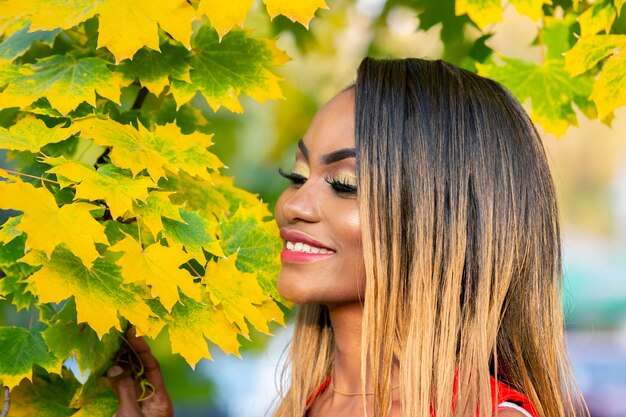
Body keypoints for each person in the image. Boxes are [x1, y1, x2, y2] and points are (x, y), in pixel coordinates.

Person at [108, 57, 585, 417]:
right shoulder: (300, 407)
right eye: (296, 176)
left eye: (345, 184)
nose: (292, 206)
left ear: (444, 216)